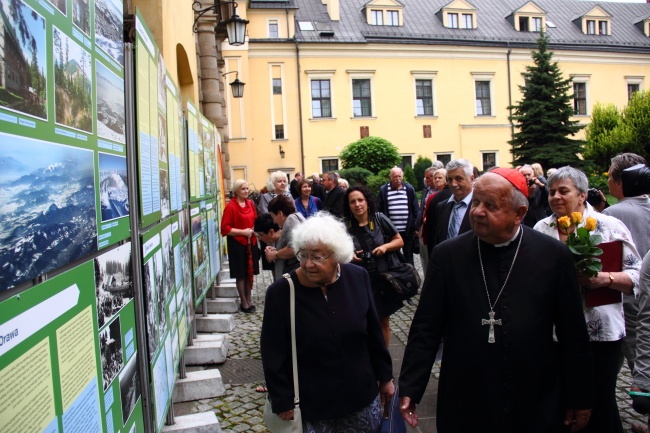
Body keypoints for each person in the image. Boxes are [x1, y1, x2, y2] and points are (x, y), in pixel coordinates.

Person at [399, 168, 594, 433]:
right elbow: (426, 326)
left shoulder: (553, 255)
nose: (477, 211)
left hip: (534, 389)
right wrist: (411, 385)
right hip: (466, 391)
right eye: (476, 201)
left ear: (519, 214)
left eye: (490, 205)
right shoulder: (448, 255)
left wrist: (579, 395)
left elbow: (573, 332)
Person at [261, 213, 395, 432]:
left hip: (361, 399)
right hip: (314, 406)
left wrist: (385, 377)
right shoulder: (282, 292)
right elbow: (273, 351)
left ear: (336, 255)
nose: (308, 264)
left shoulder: (357, 277)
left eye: (317, 256)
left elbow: (373, 333)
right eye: (303, 255)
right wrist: (282, 398)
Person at [534, 166, 641, 433]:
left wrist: (605, 278)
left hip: (599, 331)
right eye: (551, 192)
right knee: (559, 401)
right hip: (554, 333)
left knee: (599, 402)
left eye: (563, 191)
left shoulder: (608, 226)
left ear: (582, 196)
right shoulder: (541, 228)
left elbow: (638, 276)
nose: (556, 197)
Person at [602, 154, 650, 379]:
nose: (608, 181)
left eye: (610, 176)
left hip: (631, 304)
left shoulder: (614, 214)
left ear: (622, 181)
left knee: (638, 365)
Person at [343, 185, 405, 345]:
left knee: (382, 320)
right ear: (348, 205)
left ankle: (383, 359)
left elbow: (399, 240)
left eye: (360, 200)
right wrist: (349, 254)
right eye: (352, 202)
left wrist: (384, 247)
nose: (357, 204)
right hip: (357, 280)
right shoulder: (345, 225)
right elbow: (336, 250)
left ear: (367, 202)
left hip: (381, 278)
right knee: (360, 320)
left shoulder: (379, 219)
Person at [220, 179, 260, 313]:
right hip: (237, 243)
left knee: (250, 272)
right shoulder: (231, 206)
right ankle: (244, 302)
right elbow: (225, 229)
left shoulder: (250, 204)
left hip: (251, 242)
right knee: (241, 274)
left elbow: (255, 219)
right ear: (236, 191)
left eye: (247, 188)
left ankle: (249, 299)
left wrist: (252, 230)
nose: (246, 191)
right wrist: (243, 232)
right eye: (243, 189)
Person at [427, 158, 474, 256]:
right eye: (450, 179)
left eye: (459, 179)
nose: (453, 184)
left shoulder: (481, 206)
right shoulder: (442, 207)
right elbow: (436, 241)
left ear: (471, 178)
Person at [377, 167, 419, 265]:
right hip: (391, 231)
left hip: (407, 230)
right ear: (390, 177)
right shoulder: (384, 190)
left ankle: (411, 275)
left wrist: (416, 227)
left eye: (399, 176)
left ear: (402, 176)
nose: (398, 178)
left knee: (408, 255)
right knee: (393, 255)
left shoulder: (409, 189)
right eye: (395, 176)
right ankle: (397, 276)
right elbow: (379, 208)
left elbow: (415, 208)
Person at [264, 195, 306, 281]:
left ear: (280, 213)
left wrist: (275, 255)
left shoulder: (291, 220)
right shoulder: (296, 217)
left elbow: (294, 248)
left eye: (273, 217)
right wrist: (277, 250)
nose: (274, 221)